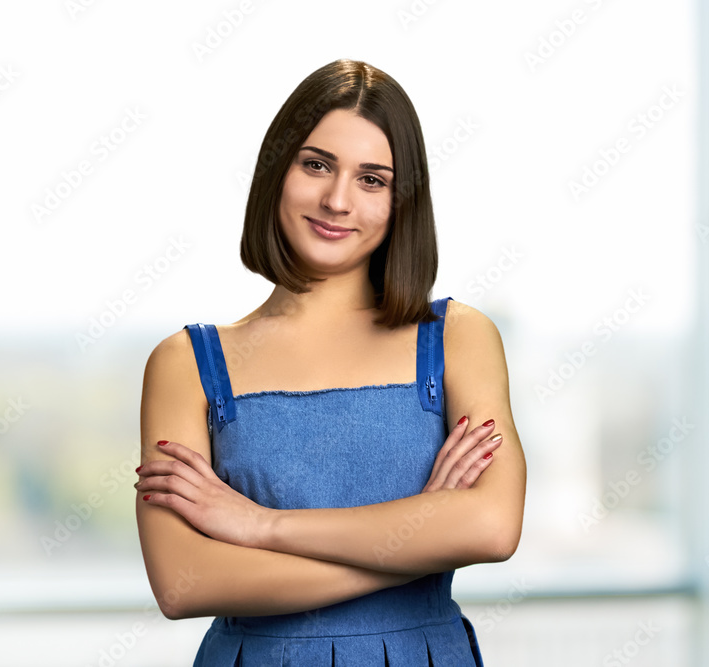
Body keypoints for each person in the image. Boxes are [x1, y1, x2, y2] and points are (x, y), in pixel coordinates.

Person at [135, 59, 526, 666]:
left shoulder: (458, 338)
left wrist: (261, 527)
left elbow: (493, 529)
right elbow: (184, 583)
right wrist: (415, 541)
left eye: (373, 180)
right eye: (316, 165)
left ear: (402, 201)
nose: (337, 200)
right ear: (277, 171)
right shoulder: (184, 363)